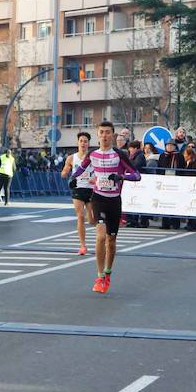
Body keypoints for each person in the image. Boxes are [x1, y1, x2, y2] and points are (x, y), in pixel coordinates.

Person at [69, 121, 141, 294]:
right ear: (98, 134)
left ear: (112, 135)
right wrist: (73, 178)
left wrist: (120, 177)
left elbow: (137, 175)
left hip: (114, 201)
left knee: (111, 241)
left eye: (108, 132)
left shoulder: (119, 154)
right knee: (101, 237)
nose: (104, 135)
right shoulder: (93, 154)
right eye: (101, 132)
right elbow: (81, 169)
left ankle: (108, 272)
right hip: (98, 198)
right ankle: (100, 276)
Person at [62, 132, 96, 255]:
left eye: (85, 141)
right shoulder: (71, 158)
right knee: (80, 216)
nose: (83, 143)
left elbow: (99, 170)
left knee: (91, 219)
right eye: (81, 141)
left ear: (88, 143)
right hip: (78, 189)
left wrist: (96, 179)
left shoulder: (93, 156)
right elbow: (64, 172)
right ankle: (82, 246)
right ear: (78, 142)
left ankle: (103, 236)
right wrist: (66, 173)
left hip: (91, 189)